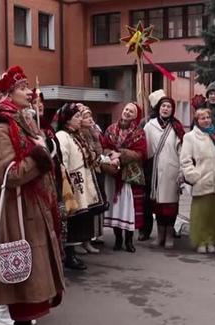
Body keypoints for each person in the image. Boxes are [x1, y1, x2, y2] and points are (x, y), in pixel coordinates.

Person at [0, 65, 64, 325]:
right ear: (6, 93)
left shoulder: (23, 120)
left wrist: (44, 147)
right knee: (22, 276)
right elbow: (11, 174)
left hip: (29, 207)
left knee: (34, 274)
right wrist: (41, 156)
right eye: (22, 87)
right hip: (13, 213)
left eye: (29, 85)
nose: (30, 92)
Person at [55, 103, 106, 265]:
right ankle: (69, 255)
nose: (79, 120)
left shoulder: (76, 135)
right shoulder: (63, 136)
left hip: (81, 181)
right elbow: (63, 161)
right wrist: (67, 183)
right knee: (71, 219)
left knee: (78, 219)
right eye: (76, 117)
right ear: (67, 120)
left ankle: (73, 253)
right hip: (73, 182)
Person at [180, 108, 215, 253]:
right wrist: (193, 176)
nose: (206, 120)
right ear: (197, 121)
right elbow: (185, 160)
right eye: (202, 118)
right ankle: (200, 241)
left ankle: (212, 240)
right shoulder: (190, 137)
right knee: (201, 214)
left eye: (208, 117)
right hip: (201, 180)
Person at [101, 103, 147, 252]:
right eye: (126, 109)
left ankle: (129, 240)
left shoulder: (138, 132)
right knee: (116, 207)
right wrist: (110, 155)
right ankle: (118, 239)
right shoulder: (111, 129)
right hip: (114, 172)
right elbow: (104, 145)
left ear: (135, 116)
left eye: (131, 111)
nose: (127, 112)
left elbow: (141, 153)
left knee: (129, 209)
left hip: (129, 176)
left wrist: (121, 154)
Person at [144, 94, 185, 248]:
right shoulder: (150, 125)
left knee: (171, 205)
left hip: (172, 170)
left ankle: (169, 235)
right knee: (158, 205)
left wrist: (182, 170)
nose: (165, 109)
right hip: (155, 171)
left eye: (168, 106)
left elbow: (182, 150)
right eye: (163, 106)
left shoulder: (177, 126)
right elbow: (146, 148)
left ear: (172, 109)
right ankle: (159, 235)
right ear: (158, 108)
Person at [78, 104, 108, 252]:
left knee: (94, 207)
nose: (89, 119)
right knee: (86, 209)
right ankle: (82, 241)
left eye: (90, 115)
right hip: (87, 172)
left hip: (97, 170)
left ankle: (89, 239)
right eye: (85, 116)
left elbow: (99, 149)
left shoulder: (94, 131)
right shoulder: (81, 134)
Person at [139, 89, 167, 241]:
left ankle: (167, 228)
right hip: (149, 165)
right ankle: (145, 229)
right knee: (148, 200)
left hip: (167, 165)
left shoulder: (172, 123)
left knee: (167, 198)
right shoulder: (146, 122)